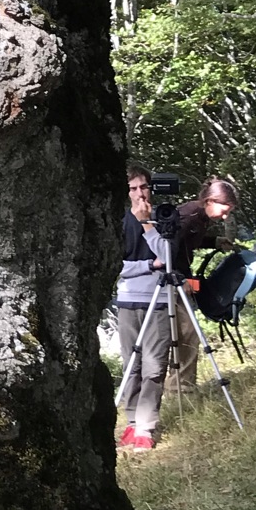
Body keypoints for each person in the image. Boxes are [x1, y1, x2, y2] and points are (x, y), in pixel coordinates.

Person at [116, 167, 171, 451]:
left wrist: (148, 224)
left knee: (154, 367)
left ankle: (146, 426)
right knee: (131, 366)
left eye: (144, 187)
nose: (140, 193)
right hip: (127, 301)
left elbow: (168, 257)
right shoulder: (118, 220)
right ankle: (131, 422)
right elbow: (117, 266)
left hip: (158, 300)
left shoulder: (163, 217)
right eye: (134, 189)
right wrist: (148, 266)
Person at [166, 178, 239, 387]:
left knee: (186, 333)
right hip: (171, 281)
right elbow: (168, 250)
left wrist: (214, 241)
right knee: (188, 333)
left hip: (180, 278)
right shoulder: (187, 217)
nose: (225, 217)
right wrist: (180, 279)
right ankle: (181, 387)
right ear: (209, 201)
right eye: (223, 210)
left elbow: (193, 241)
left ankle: (181, 384)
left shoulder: (202, 218)